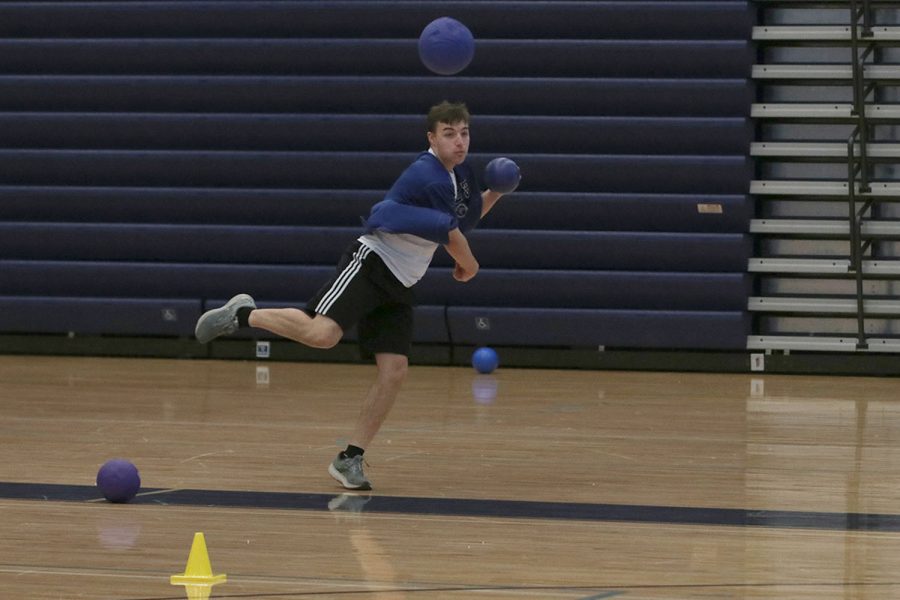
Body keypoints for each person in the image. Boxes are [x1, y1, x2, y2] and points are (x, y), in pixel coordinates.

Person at [194, 101, 519, 490]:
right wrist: (471, 266)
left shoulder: (458, 175)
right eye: (449, 133)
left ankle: (350, 458)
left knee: (394, 371)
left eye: (464, 132)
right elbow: (452, 235)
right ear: (432, 138)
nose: (459, 141)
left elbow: (464, 218)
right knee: (322, 335)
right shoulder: (427, 175)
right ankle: (244, 314)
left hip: (402, 281)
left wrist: (496, 192)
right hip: (371, 264)